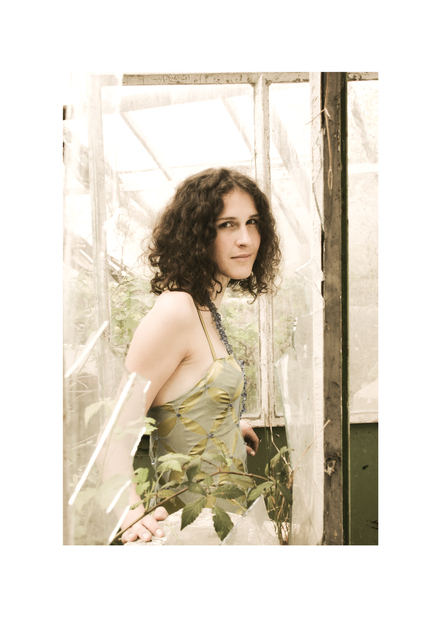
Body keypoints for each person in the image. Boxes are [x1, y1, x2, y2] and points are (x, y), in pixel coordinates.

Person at [120, 167, 281, 543]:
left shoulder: (206, 308)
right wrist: (129, 510)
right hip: (189, 532)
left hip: (224, 522)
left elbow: (184, 394)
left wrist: (225, 423)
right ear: (196, 235)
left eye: (252, 222)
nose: (246, 239)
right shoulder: (177, 310)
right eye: (227, 225)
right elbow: (113, 428)